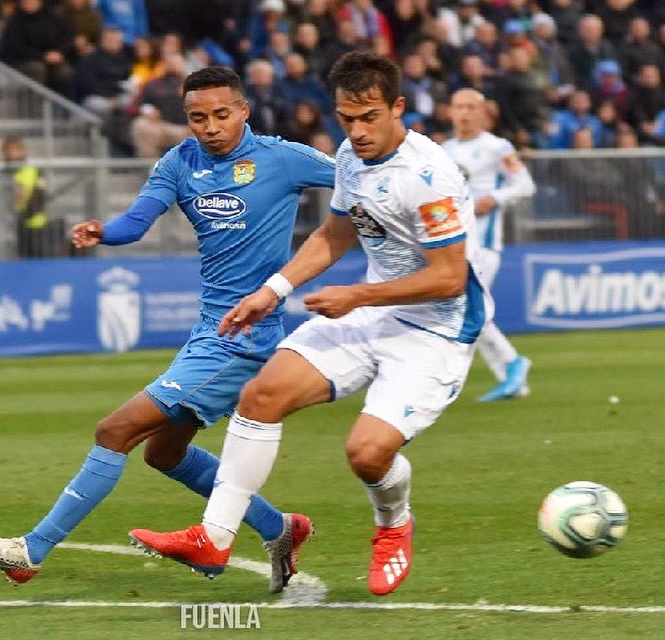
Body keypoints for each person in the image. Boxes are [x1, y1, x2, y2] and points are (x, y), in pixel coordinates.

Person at [0, 66, 336, 593]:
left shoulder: (284, 157)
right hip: (208, 330)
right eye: (198, 118)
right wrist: (104, 231)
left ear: (244, 110)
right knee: (164, 453)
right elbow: (137, 222)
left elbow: (358, 179)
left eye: (221, 114)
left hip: (245, 336)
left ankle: (30, 551)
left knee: (114, 431)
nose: (210, 127)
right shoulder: (179, 162)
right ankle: (280, 528)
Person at [128, 52, 491, 596]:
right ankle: (215, 536)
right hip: (372, 309)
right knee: (262, 394)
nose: (357, 130)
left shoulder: (429, 175)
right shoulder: (349, 156)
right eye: (347, 118)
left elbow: (449, 277)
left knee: (366, 454)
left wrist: (357, 294)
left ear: (398, 107)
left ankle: (394, 523)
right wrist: (271, 291)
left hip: (437, 329)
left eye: (369, 117)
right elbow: (334, 236)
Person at [442, 88, 536, 401]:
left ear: (483, 113)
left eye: (471, 107)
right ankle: (513, 378)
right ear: (450, 112)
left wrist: (495, 198)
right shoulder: (443, 150)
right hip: (452, 245)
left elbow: (525, 184)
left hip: (483, 244)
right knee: (469, 310)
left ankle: (511, 364)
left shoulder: (497, 147)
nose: (464, 113)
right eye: (459, 107)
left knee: (470, 308)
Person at [2, 136, 51, 258]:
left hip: (35, 225)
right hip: (13, 227)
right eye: (8, 150)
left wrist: (23, 216)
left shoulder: (34, 170)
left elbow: (40, 196)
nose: (12, 153)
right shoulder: (3, 172)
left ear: (22, 151)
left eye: (15, 150)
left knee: (37, 261)